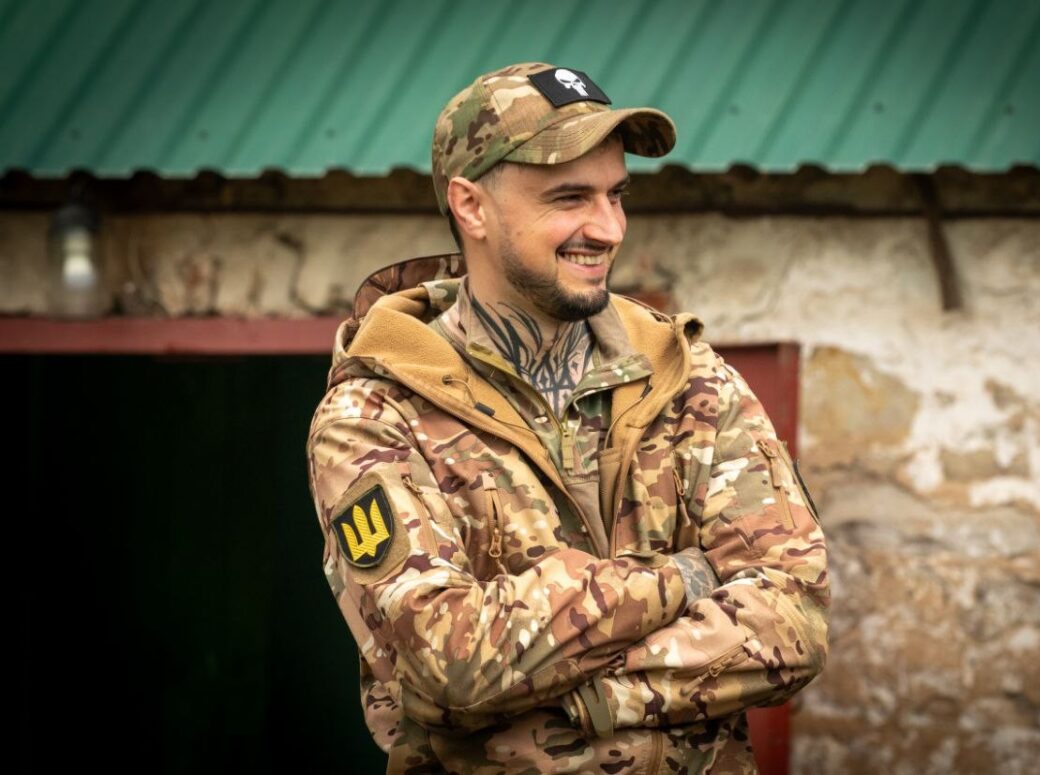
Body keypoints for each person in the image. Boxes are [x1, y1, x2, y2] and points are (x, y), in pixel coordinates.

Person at [306, 61, 830, 774]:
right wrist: (687, 578)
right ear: (471, 206)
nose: (608, 228)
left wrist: (594, 700)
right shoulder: (375, 412)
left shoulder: (688, 379)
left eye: (617, 195)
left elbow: (795, 621)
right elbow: (450, 662)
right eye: (570, 197)